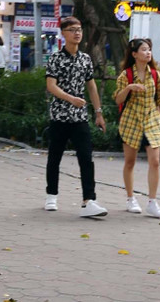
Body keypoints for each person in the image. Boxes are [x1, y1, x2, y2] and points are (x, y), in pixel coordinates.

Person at [43, 16, 107, 218]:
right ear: (63, 33)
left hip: (80, 117)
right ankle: (51, 195)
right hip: (60, 116)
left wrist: (98, 112)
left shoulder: (85, 59)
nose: (77, 33)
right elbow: (50, 86)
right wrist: (71, 99)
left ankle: (89, 200)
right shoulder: (55, 58)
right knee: (55, 157)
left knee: (86, 158)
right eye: (72, 29)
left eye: (79, 29)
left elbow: (91, 87)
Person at [114, 37, 160, 218]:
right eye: (144, 50)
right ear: (134, 54)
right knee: (130, 162)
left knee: (155, 161)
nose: (148, 53)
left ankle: (152, 202)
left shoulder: (155, 75)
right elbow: (118, 99)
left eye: (149, 49)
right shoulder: (126, 76)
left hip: (152, 121)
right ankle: (130, 198)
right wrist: (130, 87)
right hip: (131, 121)